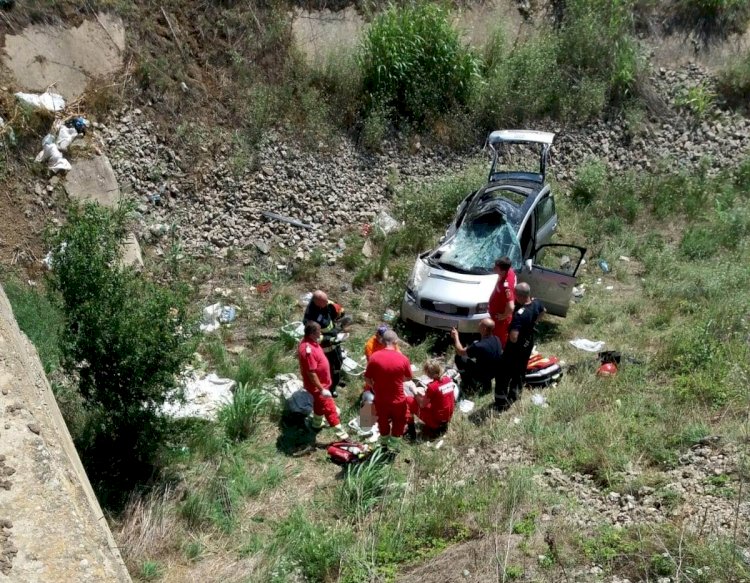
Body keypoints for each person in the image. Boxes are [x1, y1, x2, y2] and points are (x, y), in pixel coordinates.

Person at [494, 282, 546, 411]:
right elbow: (543, 311)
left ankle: (500, 402)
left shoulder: (520, 315)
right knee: (520, 370)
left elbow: (513, 336)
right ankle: (515, 394)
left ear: (519, 296)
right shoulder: (536, 303)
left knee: (503, 373)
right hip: (528, 342)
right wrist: (534, 322)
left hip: (515, 348)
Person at [297, 322, 348, 440]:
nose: (320, 333)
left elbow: (322, 340)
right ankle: (343, 436)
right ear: (312, 334)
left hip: (322, 385)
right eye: (318, 332)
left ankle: (316, 424)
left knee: (319, 406)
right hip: (318, 387)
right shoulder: (307, 350)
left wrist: (336, 339)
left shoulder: (311, 341)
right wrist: (321, 389)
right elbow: (311, 373)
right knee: (330, 410)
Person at [364, 330, 413, 449]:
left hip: (381, 399)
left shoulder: (374, 357)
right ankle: (393, 447)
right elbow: (409, 377)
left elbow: (367, 378)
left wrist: (375, 387)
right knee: (399, 422)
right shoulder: (403, 359)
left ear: (382, 341)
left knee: (382, 422)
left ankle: (384, 445)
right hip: (398, 399)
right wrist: (397, 380)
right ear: (396, 342)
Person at [303, 290, 347, 396]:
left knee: (338, 362)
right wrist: (331, 339)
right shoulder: (310, 317)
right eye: (324, 302)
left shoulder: (325, 303)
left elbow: (338, 310)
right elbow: (315, 338)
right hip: (324, 346)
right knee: (327, 367)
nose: (327, 303)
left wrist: (340, 313)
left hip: (334, 339)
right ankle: (330, 388)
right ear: (317, 302)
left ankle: (336, 380)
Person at [406, 360, 456, 439]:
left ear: (428, 373)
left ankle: (411, 431)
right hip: (446, 418)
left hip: (436, 422)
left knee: (408, 400)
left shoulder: (432, 387)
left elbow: (422, 405)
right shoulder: (448, 379)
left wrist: (414, 391)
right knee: (423, 400)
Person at [450, 318, 503, 394]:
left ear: (484, 329)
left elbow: (460, 351)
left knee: (459, 358)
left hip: (483, 374)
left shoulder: (479, 346)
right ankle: (486, 384)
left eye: (480, 323)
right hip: (494, 373)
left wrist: (456, 337)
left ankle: (468, 385)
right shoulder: (496, 339)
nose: (478, 324)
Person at [488, 256, 517, 348]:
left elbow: (511, 306)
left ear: (503, 271)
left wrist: (503, 316)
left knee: (498, 341)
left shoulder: (506, 287)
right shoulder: (509, 272)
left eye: (496, 268)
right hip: (495, 314)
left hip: (500, 320)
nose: (493, 268)